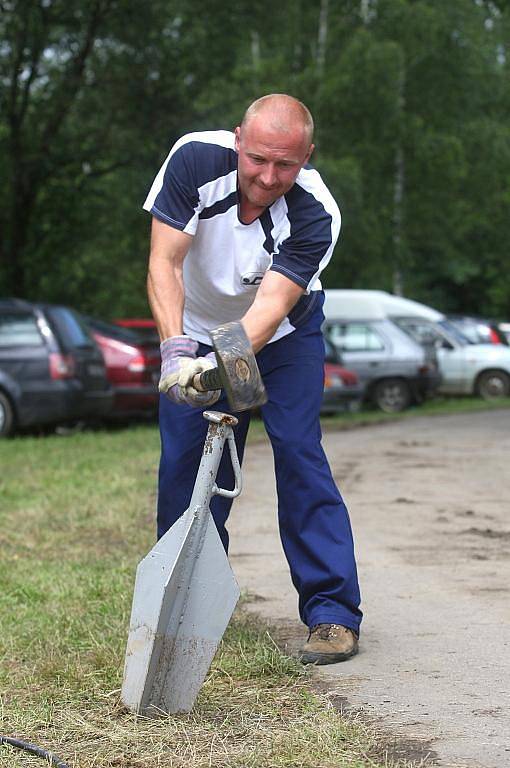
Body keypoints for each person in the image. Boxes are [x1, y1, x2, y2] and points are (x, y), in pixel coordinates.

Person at [143, 93, 362, 665]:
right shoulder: (194, 160)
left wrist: (218, 368)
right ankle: (185, 608)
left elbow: (266, 313)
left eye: (285, 165)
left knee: (296, 451)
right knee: (186, 467)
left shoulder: (317, 213)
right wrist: (174, 352)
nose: (267, 177)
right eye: (259, 158)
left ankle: (332, 613)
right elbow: (164, 263)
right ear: (238, 139)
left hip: (281, 339)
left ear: (307, 157)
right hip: (194, 330)